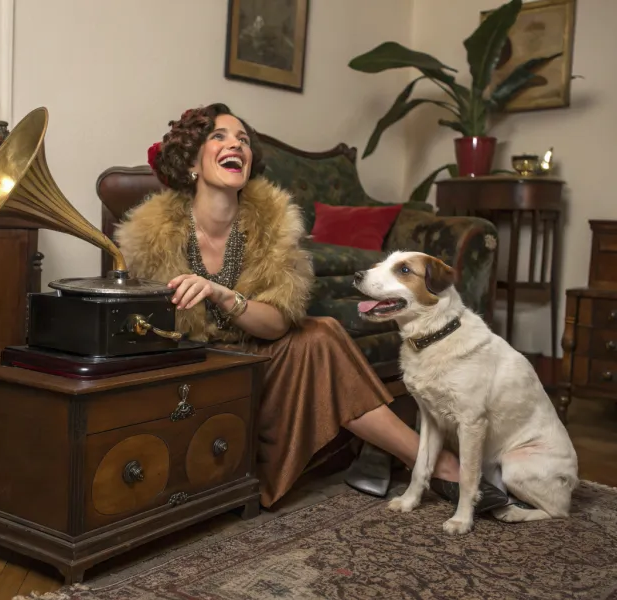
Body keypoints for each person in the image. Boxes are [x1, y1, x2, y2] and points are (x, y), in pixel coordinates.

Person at [114, 102, 509, 512]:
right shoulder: (149, 235)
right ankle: (418, 460)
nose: (236, 144)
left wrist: (221, 293)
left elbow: (277, 324)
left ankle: (430, 463)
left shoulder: (273, 221)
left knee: (320, 334)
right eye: (219, 136)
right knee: (322, 337)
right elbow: (137, 325)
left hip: (255, 354)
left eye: (243, 140)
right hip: (193, 367)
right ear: (192, 160)